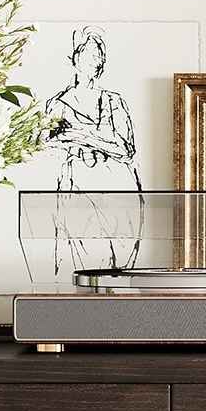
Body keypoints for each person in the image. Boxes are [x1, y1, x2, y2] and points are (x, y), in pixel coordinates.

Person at [40, 27, 144, 274]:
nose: (95, 60)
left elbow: (126, 148)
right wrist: (88, 141)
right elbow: (43, 143)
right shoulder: (58, 104)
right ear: (75, 57)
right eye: (90, 53)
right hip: (80, 187)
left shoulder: (114, 100)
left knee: (124, 260)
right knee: (91, 262)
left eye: (99, 55)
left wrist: (77, 135)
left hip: (119, 186)